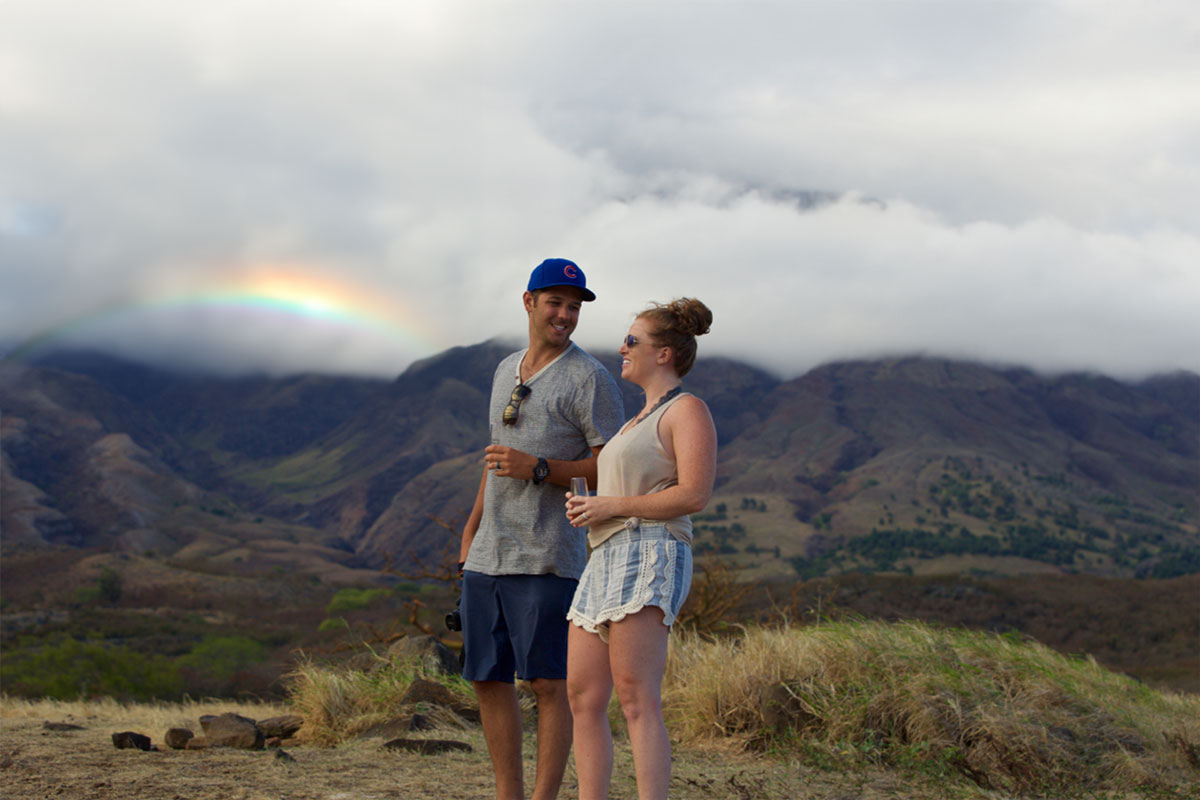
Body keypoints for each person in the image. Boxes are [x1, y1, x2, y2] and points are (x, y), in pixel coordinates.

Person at [459, 258, 624, 800]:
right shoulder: (505, 368)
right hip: (488, 553)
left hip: (549, 553)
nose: (566, 315)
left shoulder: (589, 379)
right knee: (487, 676)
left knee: (549, 682)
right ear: (529, 303)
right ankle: (508, 792)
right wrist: (471, 529)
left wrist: (543, 469)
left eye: (574, 307)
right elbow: (494, 460)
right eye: (555, 303)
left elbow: (615, 467)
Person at [563, 298, 717, 800]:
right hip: (603, 557)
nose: (621, 348)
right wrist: (593, 509)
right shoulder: (634, 423)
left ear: (665, 353)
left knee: (635, 697)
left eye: (632, 340)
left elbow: (694, 493)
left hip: (650, 549)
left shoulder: (686, 409)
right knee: (582, 697)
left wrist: (611, 505)